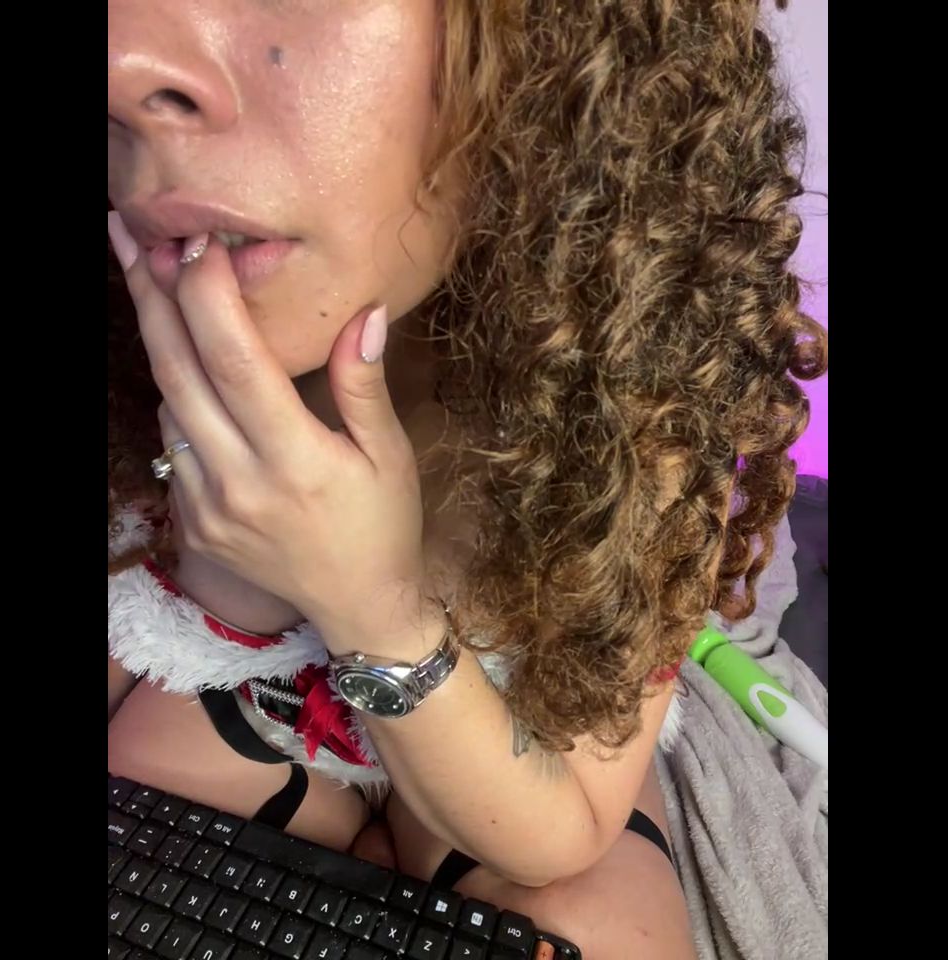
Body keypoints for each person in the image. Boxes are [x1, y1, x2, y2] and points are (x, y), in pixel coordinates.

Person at [107, 3, 826, 957]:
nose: (121, 61)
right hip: (250, 688)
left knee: (584, 919)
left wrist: (368, 603)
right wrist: (221, 554)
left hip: (512, 744)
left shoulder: (642, 403)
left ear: (553, 61)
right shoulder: (139, 325)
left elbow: (558, 830)